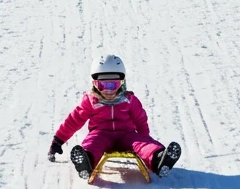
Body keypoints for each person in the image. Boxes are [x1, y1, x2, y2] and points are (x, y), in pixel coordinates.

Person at [48, 54, 182, 180]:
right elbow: (74, 120)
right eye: (102, 85)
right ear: (94, 84)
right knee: (92, 143)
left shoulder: (129, 100)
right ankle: (86, 162)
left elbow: (140, 120)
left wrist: (145, 138)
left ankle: (158, 160)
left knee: (142, 144)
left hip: (126, 135)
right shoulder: (91, 101)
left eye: (114, 84)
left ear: (122, 83)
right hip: (100, 134)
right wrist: (58, 141)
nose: (108, 90)